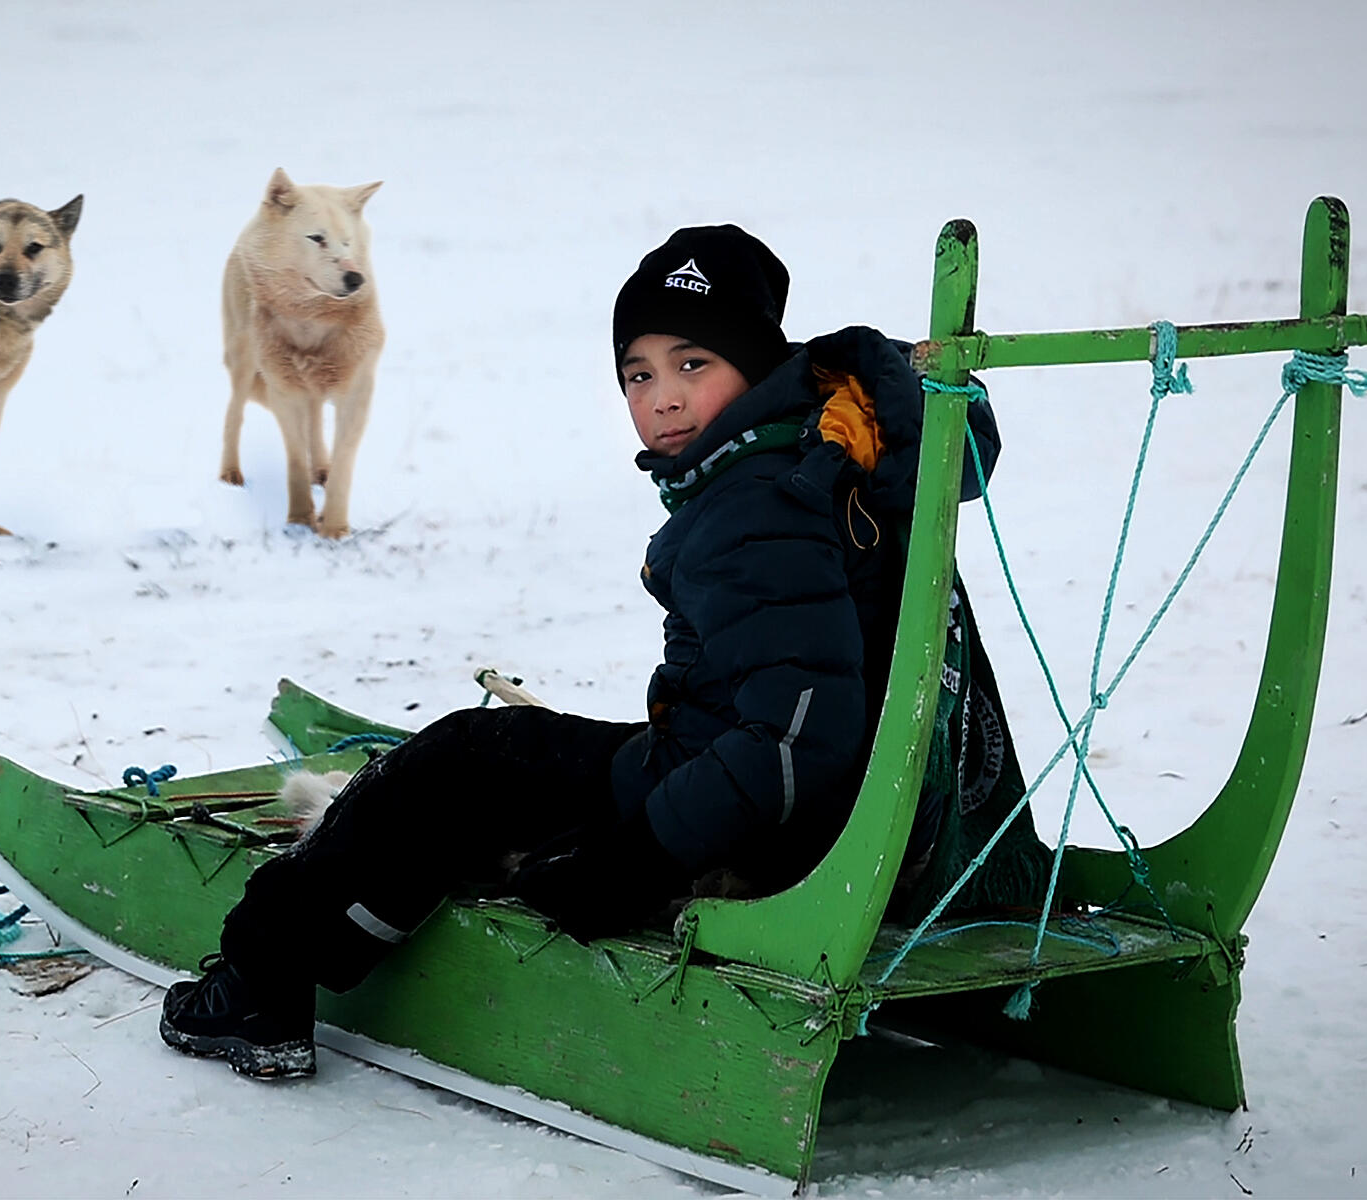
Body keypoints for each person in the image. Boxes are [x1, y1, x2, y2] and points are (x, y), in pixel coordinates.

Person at [158, 224, 1042, 1080]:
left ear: (758, 366)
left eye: (694, 365)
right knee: (514, 759)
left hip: (773, 833)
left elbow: (790, 741)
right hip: (823, 807)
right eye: (638, 372)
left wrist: (635, 862)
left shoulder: (764, 504)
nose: (662, 396)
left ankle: (260, 984)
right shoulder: (830, 458)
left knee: (460, 763)